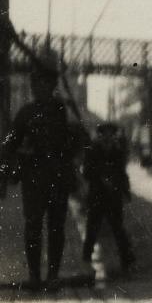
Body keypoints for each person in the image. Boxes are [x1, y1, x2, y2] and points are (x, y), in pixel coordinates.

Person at [1, 65, 87, 288]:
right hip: (33, 178)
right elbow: (9, 143)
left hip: (58, 177)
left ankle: (52, 275)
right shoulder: (26, 113)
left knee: (56, 227)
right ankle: (34, 276)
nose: (37, 88)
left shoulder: (64, 112)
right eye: (34, 84)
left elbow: (82, 139)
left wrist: (73, 161)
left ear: (51, 86)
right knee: (33, 226)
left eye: (42, 84)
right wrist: (14, 162)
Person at [82, 121, 135, 273]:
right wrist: (100, 176)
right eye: (104, 134)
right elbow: (86, 172)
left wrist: (125, 191)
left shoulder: (117, 151)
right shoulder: (93, 151)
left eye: (110, 134)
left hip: (113, 195)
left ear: (113, 136)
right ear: (100, 135)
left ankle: (127, 259)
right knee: (92, 227)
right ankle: (86, 257)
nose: (107, 137)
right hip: (97, 195)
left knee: (118, 228)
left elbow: (122, 173)